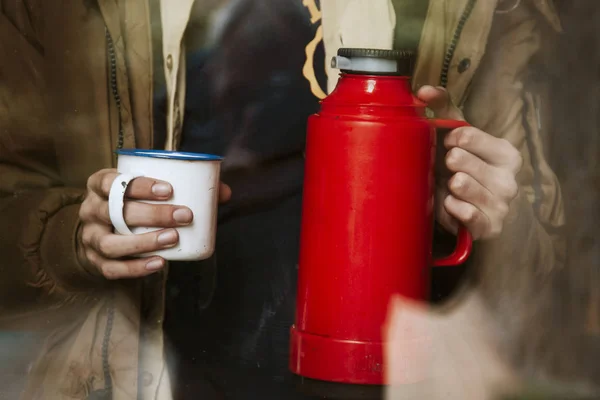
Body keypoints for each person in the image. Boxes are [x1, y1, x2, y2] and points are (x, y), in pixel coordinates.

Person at [0, 2, 561, 400]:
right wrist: (71, 236)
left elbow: (543, 282)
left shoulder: (485, 10)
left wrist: (467, 215)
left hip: (390, 379)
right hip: (140, 378)